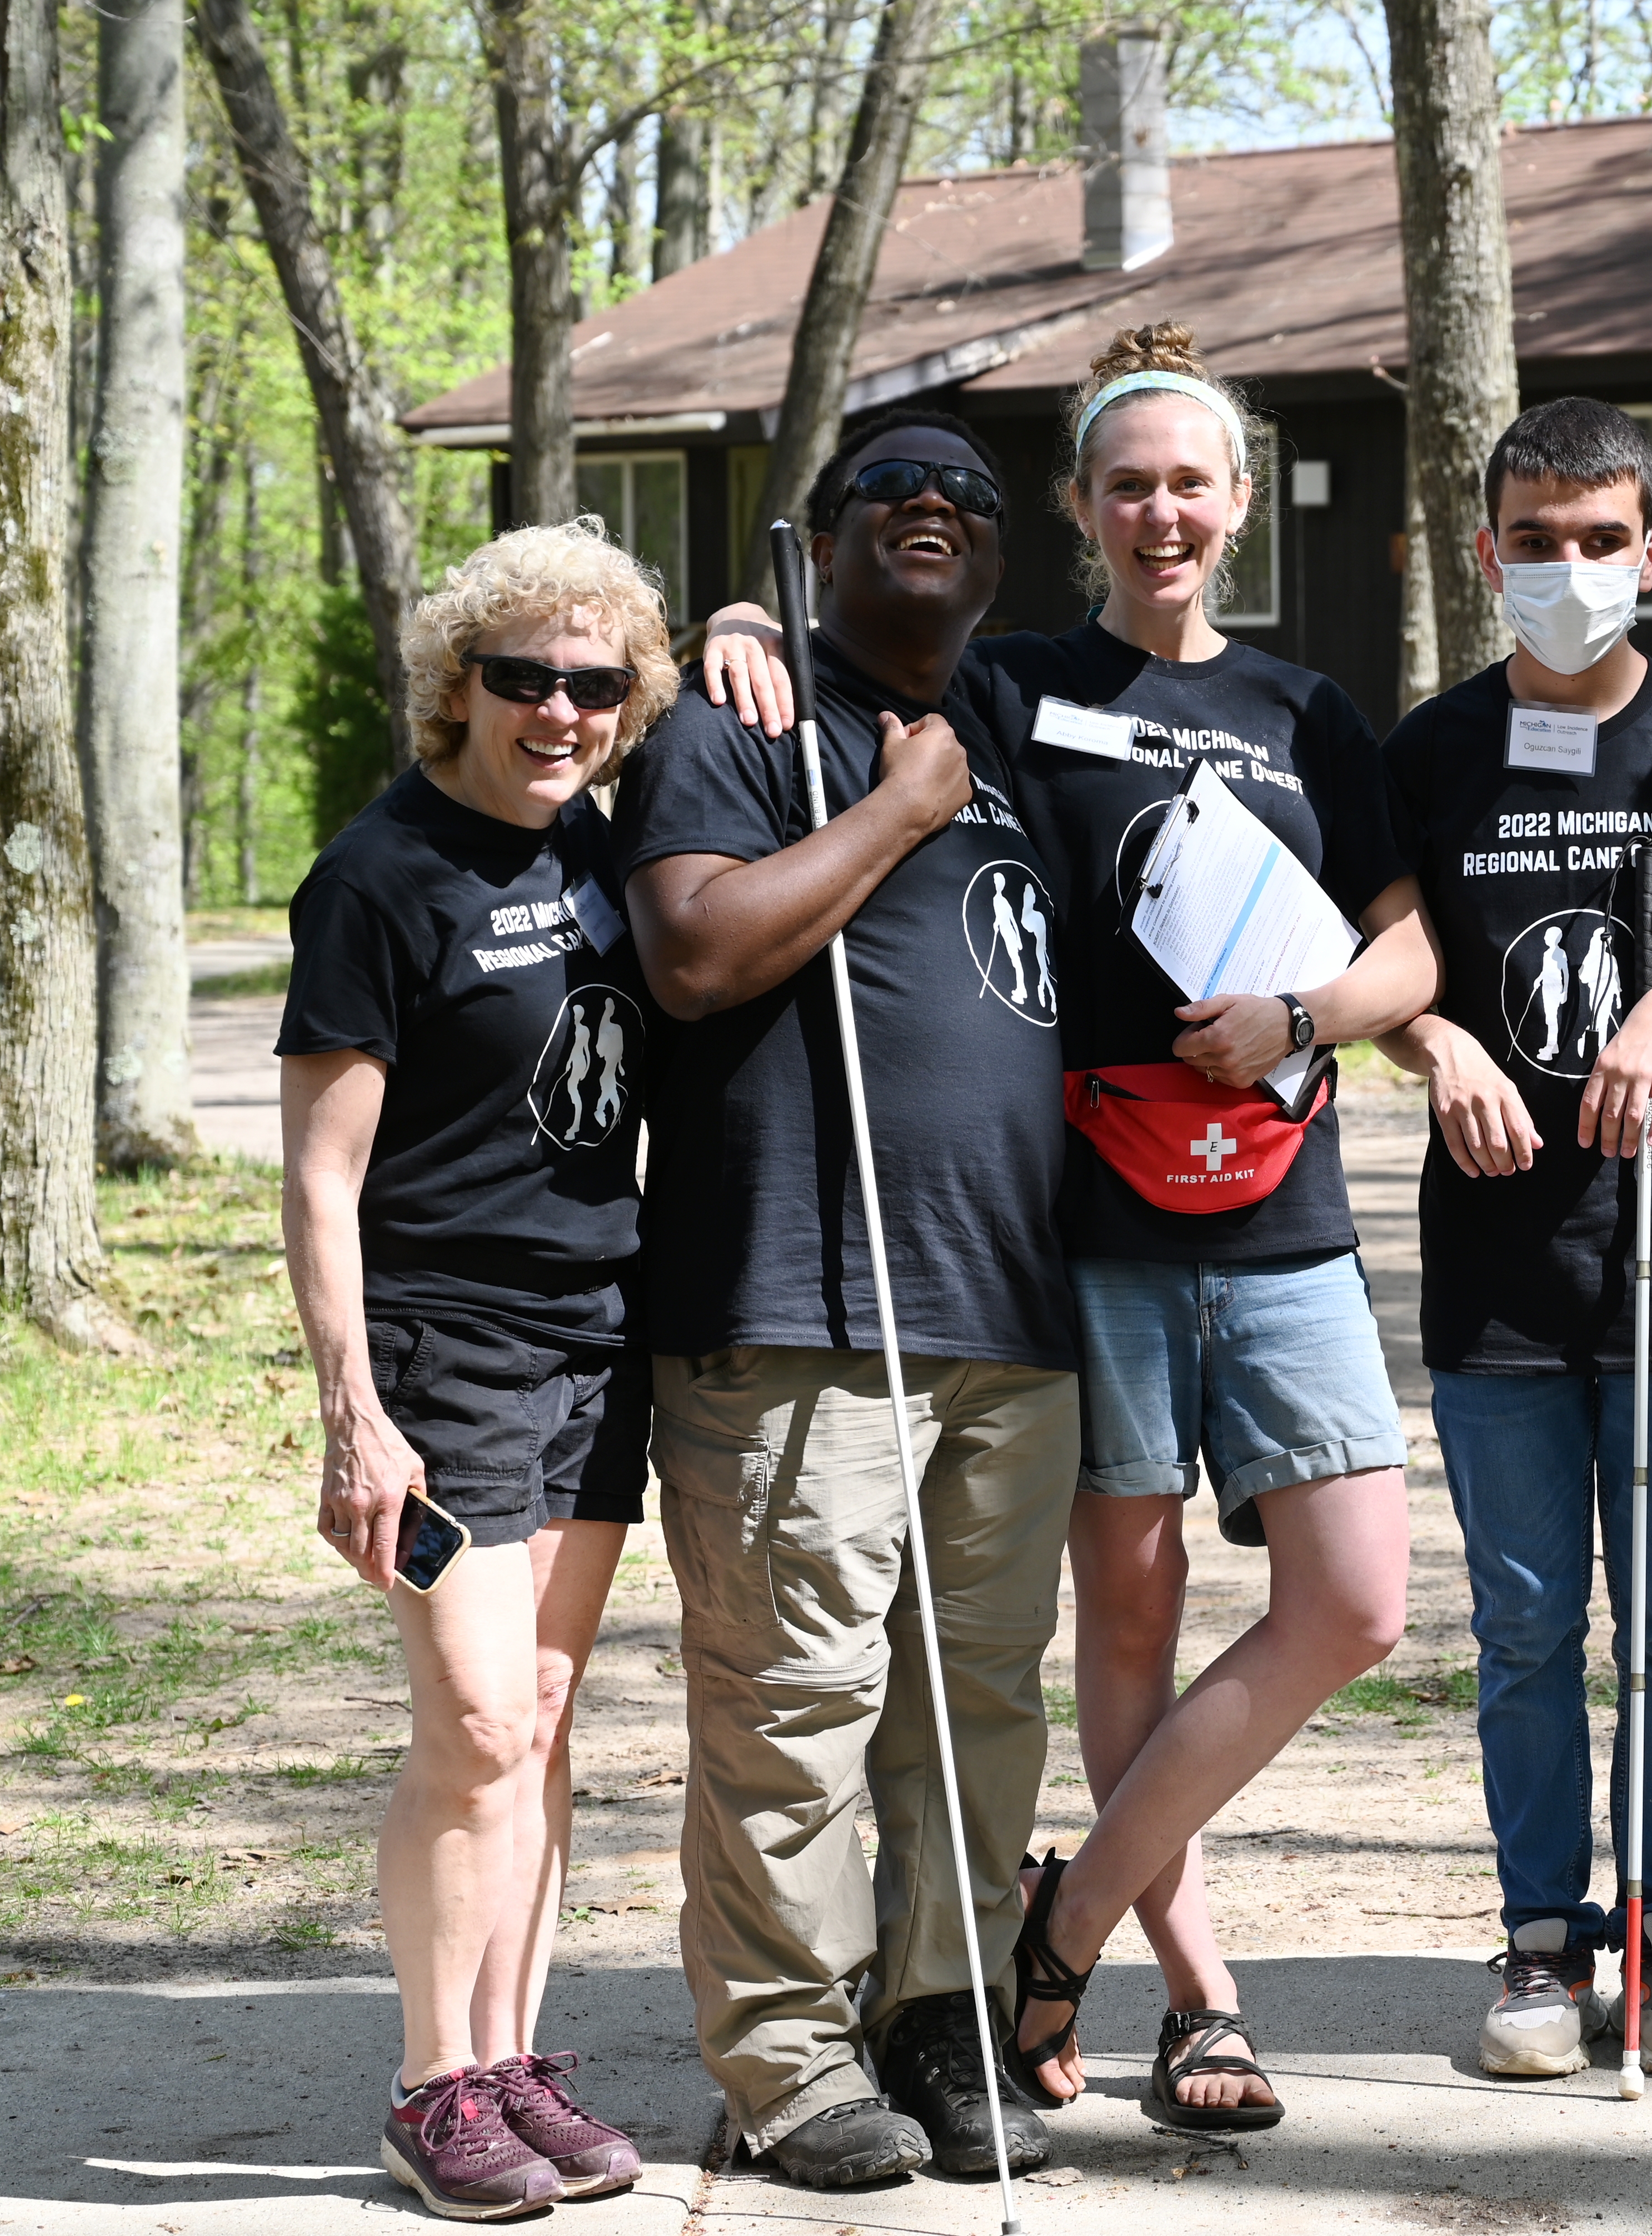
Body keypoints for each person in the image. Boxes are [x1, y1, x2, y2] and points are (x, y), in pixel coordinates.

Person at [952, 324, 1434, 2132]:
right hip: (1096, 1221)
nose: (1162, 510)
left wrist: (1309, 1020)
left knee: (1358, 1603)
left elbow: (1407, 945)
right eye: (1128, 483)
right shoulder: (1012, 687)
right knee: (1132, 1623)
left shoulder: (1309, 712)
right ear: (1085, 508)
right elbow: (863, 701)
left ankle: (1062, 1920)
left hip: (1286, 1217)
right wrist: (751, 638)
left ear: (1239, 506)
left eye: (1191, 482)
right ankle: (1200, 1998)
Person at [621, 409, 1072, 2190]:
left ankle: (938, 2016)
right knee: (792, 1710)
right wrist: (888, 805)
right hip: (809, 1300)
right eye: (899, 490)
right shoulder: (738, 727)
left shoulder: (1017, 726)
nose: (940, 510)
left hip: (1009, 1313)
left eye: (970, 497)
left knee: (976, 1708)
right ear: (826, 534)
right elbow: (697, 952)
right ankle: (787, 2060)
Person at [1375, 398, 1652, 2083]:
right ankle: (1538, 1943)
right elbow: (1386, 968)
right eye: (1535, 541)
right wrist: (1439, 1048)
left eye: (1600, 540)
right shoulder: (1427, 753)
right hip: (1498, 1264)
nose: (1567, 571)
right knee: (1520, 1628)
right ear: (1487, 550)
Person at [278, 518, 677, 2222]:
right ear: (461, 685)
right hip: (449, 1352)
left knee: (550, 1717)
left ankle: (514, 2058)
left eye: (596, 684)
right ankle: (431, 2082)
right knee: (477, 1718)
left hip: (602, 1338)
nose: (561, 710)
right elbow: (319, 1171)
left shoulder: (598, 849)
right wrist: (354, 1412)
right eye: (526, 678)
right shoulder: (383, 874)